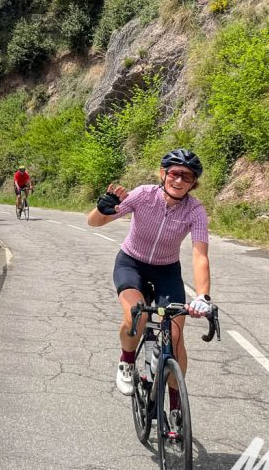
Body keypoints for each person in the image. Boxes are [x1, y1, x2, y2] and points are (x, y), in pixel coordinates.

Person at [85, 149, 212, 415]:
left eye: (187, 177)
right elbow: (94, 223)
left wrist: (202, 296)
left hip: (167, 271)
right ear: (163, 174)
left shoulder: (195, 211)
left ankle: (177, 406)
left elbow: (200, 254)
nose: (179, 180)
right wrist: (101, 208)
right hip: (132, 264)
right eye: (175, 173)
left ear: (193, 183)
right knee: (136, 318)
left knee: (175, 339)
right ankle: (127, 361)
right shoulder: (143, 195)